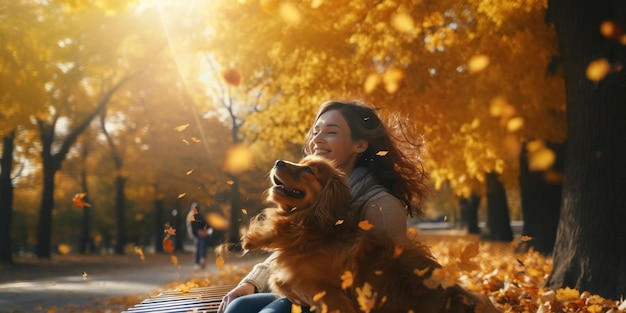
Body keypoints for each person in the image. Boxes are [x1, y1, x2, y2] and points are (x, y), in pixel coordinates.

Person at [217, 100, 428, 313]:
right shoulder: (318, 193)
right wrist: (251, 283)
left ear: (360, 145)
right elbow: (298, 247)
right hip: (302, 296)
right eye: (316, 131)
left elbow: (389, 290)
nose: (316, 139)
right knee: (238, 306)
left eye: (331, 132)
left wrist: (307, 289)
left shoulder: (381, 207)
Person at [186, 201, 213, 270]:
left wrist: (207, 232)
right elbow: (192, 228)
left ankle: (202, 259)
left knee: (203, 244)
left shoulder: (200, 216)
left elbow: (206, 225)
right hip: (195, 234)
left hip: (202, 234)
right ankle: (197, 262)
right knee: (198, 245)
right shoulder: (191, 216)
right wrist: (199, 232)